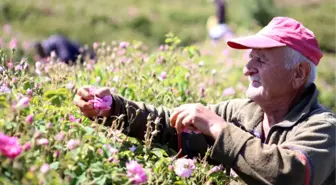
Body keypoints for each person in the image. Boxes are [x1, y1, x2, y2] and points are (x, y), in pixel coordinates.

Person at [74, 17, 336, 185]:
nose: (248, 69)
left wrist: (219, 129)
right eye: (250, 58)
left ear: (298, 73)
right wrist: (112, 108)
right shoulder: (243, 111)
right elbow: (168, 123)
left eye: (261, 60)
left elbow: (291, 175)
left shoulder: (322, 127)